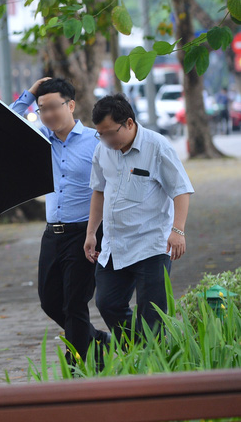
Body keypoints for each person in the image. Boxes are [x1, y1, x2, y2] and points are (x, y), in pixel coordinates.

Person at [11, 78, 108, 363]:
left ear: (71, 105)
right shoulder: (40, 139)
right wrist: (31, 93)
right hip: (52, 234)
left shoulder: (95, 141)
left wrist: (97, 232)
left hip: (85, 233)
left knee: (74, 304)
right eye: (43, 109)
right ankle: (97, 339)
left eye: (54, 106)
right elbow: (7, 122)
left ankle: (77, 366)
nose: (49, 114)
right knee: (50, 301)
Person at [84, 94, 194, 340]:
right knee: (107, 303)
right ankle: (139, 349)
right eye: (100, 134)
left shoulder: (157, 147)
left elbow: (181, 190)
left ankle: (151, 356)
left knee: (151, 315)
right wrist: (91, 233)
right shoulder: (103, 150)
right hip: (115, 244)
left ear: (129, 123)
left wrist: (178, 231)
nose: (106, 140)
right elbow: (99, 191)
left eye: (110, 133)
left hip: (151, 244)